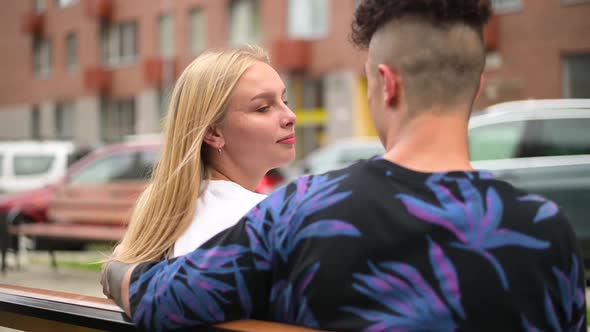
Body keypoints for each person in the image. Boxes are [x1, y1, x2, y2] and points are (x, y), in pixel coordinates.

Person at [103, 1, 587, 331]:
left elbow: (156, 296)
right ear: (477, 88)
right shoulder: (548, 230)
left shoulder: (306, 211)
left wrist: (116, 273)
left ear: (386, 84)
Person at [103, 45, 296, 279]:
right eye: (263, 108)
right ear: (213, 133)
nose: (289, 116)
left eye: (284, 100)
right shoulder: (257, 218)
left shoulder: (176, 208)